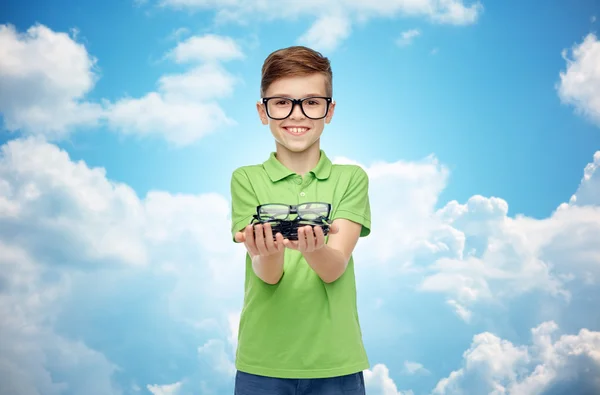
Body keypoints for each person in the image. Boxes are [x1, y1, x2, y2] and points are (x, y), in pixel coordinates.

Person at [230, 45, 371, 395]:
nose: (297, 115)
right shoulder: (245, 178)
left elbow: (333, 267)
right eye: (281, 102)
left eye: (311, 102)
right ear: (263, 112)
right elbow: (269, 275)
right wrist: (266, 251)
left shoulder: (351, 178)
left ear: (329, 111)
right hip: (262, 361)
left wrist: (314, 248)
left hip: (336, 361)